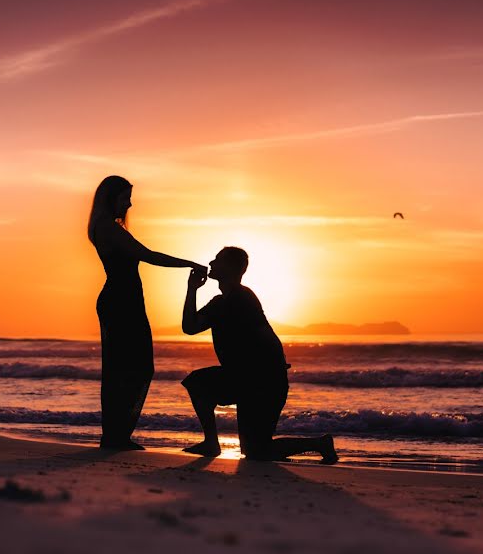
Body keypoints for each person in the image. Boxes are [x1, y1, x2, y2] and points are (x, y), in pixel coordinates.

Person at [181, 246, 338, 463]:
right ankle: (211, 443)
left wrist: (276, 365)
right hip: (242, 379)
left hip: (264, 382)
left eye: (218, 260)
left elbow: (266, 336)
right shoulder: (219, 302)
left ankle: (319, 444)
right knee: (197, 382)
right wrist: (192, 289)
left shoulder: (242, 298)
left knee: (256, 451)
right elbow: (189, 327)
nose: (211, 263)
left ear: (232, 268)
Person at [88, 175, 206, 450]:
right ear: (112, 198)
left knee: (128, 367)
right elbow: (149, 255)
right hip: (120, 302)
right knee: (132, 368)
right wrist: (188, 263)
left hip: (124, 300)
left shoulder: (109, 227)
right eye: (125, 197)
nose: (130, 203)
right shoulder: (109, 229)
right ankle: (116, 435)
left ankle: (116, 435)